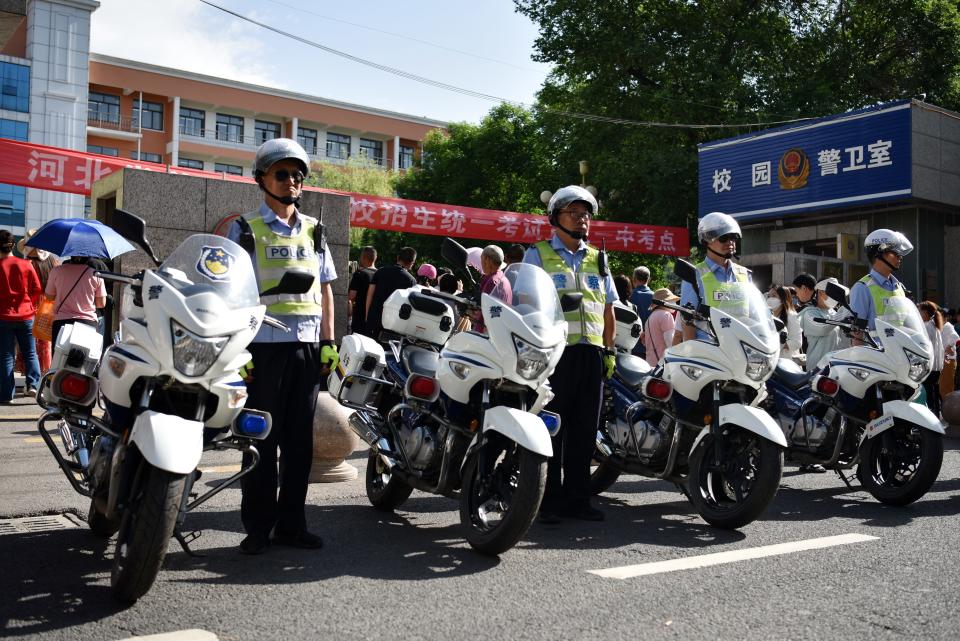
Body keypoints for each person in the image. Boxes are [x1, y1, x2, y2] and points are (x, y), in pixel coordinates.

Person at [227, 138, 338, 555]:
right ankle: (257, 528)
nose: (291, 181)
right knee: (259, 439)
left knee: (298, 443)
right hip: (261, 348)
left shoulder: (315, 229)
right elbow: (230, 290)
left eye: (297, 175)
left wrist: (329, 342)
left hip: (306, 348)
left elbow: (326, 290)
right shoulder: (244, 230)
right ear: (261, 179)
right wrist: (236, 350)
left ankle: (292, 526)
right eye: (282, 173)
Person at [524, 185, 617, 523]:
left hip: (591, 354)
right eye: (575, 214)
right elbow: (527, 303)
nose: (583, 221)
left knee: (583, 430)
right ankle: (547, 501)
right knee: (553, 428)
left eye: (586, 215)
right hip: (555, 354)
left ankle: (579, 499)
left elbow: (608, 308)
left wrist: (610, 350)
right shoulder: (538, 254)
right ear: (556, 218)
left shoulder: (598, 257)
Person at [680, 212, 752, 342]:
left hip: (744, 350)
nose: (730, 242)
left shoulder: (745, 274)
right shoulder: (694, 274)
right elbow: (687, 323)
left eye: (733, 237)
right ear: (707, 240)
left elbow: (755, 315)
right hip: (711, 354)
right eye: (723, 237)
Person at [848, 229, 913, 345]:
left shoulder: (900, 288)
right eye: (895, 252)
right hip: (875, 358)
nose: (900, 257)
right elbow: (857, 335)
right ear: (879, 253)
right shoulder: (862, 288)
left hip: (901, 356)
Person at [0, 230, 42, 403]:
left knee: (6, 355)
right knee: (30, 352)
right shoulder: (26, 264)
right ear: (12, 245)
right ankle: (32, 385)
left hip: (3, 316)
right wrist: (29, 304)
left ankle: (6, 394)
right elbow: (37, 288)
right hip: (26, 315)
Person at [16, 230, 59, 373]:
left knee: (28, 342)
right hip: (48, 305)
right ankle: (44, 371)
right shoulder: (54, 262)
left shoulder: (25, 263)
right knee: (45, 340)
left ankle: (30, 375)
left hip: (28, 305)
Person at [45, 256, 107, 345]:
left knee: (60, 357)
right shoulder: (95, 274)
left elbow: (50, 297)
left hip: (62, 323)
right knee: (87, 358)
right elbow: (101, 304)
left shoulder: (56, 271)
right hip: (88, 323)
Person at [365, 247, 417, 340]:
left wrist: (367, 315)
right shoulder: (411, 281)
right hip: (394, 324)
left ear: (398, 257)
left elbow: (370, 294)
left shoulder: (381, 271)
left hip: (374, 318)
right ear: (412, 263)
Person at [799, 278, 844, 373]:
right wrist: (842, 315)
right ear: (820, 292)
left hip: (835, 367)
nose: (835, 296)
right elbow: (822, 329)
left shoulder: (834, 312)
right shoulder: (809, 313)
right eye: (832, 293)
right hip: (817, 368)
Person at [473, 245, 512, 334]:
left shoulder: (492, 281)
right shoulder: (503, 278)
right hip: (499, 330)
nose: (481, 262)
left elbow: (494, 310)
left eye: (481, 258)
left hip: (489, 333)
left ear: (487, 260)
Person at [918, 301, 945, 416]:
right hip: (937, 366)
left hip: (930, 366)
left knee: (929, 393)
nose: (918, 313)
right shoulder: (934, 325)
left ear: (925, 312)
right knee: (934, 391)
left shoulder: (926, 327)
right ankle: (936, 416)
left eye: (920, 310)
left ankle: (932, 417)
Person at [643, 288, 678, 368]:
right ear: (665, 302)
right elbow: (670, 342)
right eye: (671, 300)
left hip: (650, 363)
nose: (674, 303)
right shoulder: (666, 315)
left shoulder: (650, 317)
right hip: (662, 365)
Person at [766, 285, 801, 361]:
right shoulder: (767, 316)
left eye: (774, 296)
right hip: (770, 361)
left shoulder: (792, 316)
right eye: (768, 296)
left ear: (782, 299)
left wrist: (780, 345)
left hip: (786, 362)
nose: (770, 299)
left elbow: (797, 342)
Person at [347, 246, 377, 337]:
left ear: (363, 257)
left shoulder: (360, 274)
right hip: (375, 318)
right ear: (375, 258)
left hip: (360, 317)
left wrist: (349, 314)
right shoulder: (380, 274)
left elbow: (351, 296)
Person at [940, 309, 959, 400]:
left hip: (948, 359)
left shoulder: (948, 326)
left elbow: (956, 337)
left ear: (945, 318)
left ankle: (949, 410)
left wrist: (949, 346)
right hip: (945, 359)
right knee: (944, 387)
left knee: (946, 388)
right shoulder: (943, 326)